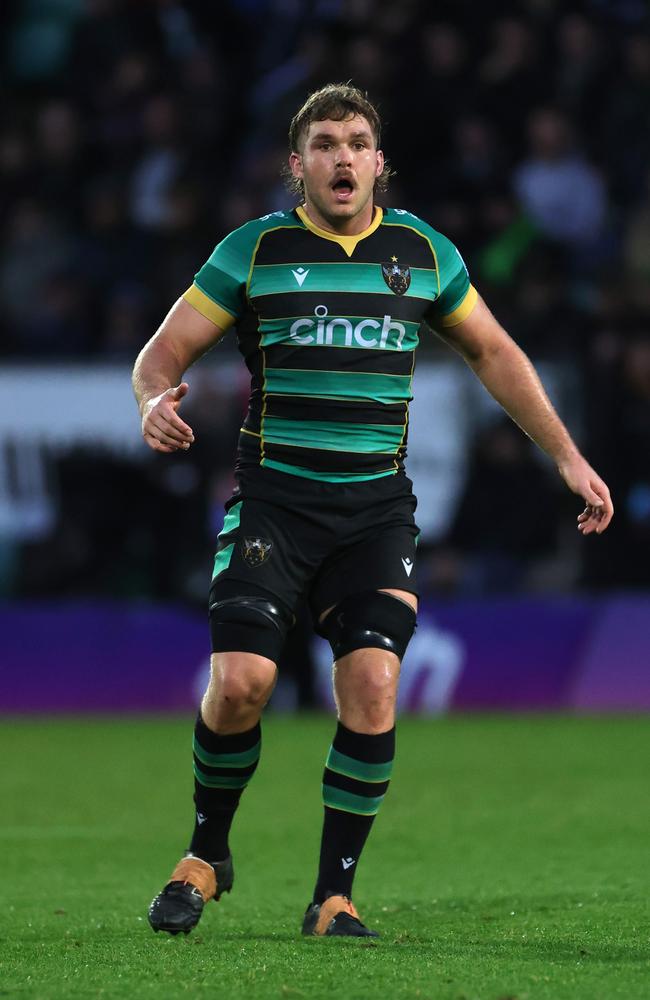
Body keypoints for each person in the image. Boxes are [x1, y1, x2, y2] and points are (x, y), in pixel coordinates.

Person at [132, 83, 613, 939]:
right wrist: (149, 400)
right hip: (273, 506)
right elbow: (162, 352)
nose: (342, 157)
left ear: (380, 161)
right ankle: (206, 853)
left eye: (357, 141)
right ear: (298, 165)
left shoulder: (424, 253)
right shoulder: (255, 251)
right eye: (324, 143)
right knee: (241, 686)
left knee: (373, 684)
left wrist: (567, 456)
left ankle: (332, 897)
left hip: (373, 515)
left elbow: (495, 354)